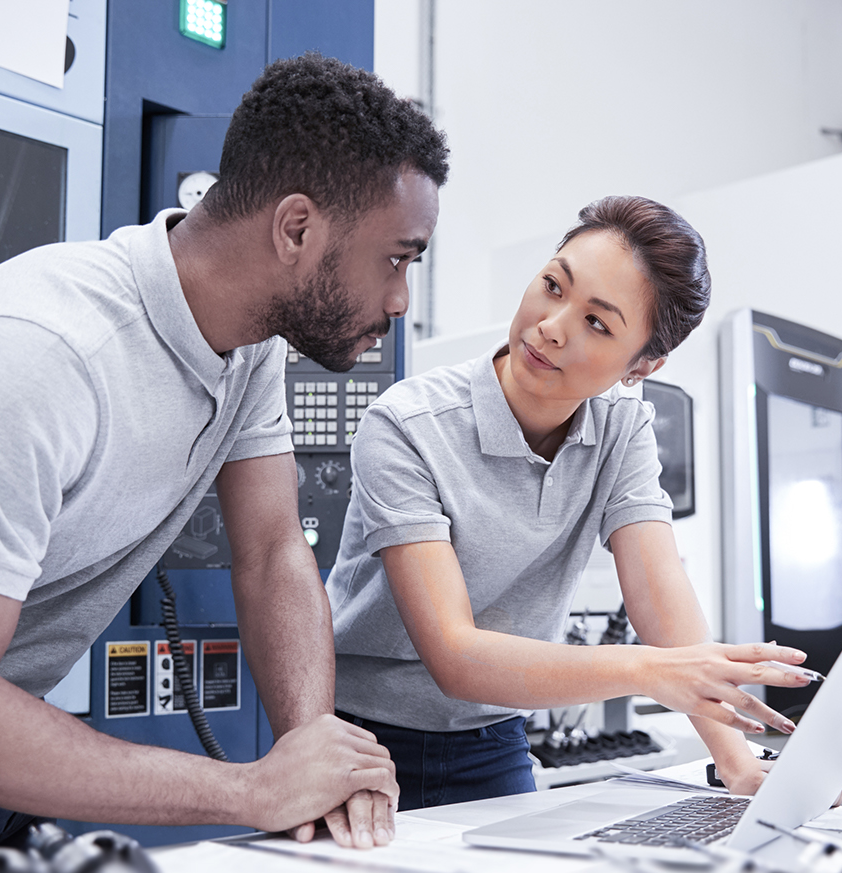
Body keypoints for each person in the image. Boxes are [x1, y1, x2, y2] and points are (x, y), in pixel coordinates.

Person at [0, 54, 447, 849]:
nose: (402, 299)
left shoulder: (251, 343)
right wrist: (251, 786)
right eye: (397, 258)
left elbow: (271, 551)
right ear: (296, 228)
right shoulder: (39, 353)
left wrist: (314, 758)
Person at [327, 195, 813, 810]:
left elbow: (658, 588)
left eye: (598, 323)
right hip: (361, 738)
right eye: (554, 285)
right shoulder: (407, 424)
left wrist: (735, 760)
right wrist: (649, 670)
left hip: (493, 736)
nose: (552, 325)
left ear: (643, 366)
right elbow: (454, 655)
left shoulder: (622, 425)